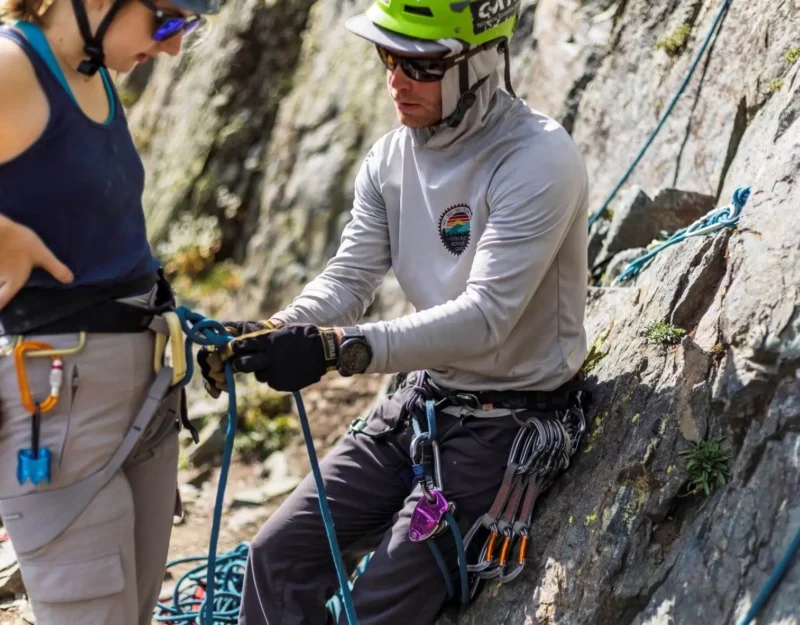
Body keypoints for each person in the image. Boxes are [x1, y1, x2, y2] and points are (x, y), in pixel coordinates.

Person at [199, 0, 590, 623]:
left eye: (421, 64)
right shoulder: (390, 158)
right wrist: (279, 331)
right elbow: (350, 277)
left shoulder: (536, 159)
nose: (396, 79)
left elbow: (486, 318)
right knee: (275, 558)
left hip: (510, 422)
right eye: (388, 56)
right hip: (423, 403)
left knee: (372, 609)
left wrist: (335, 349)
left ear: (481, 62)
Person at [0, 0, 219, 622]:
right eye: (171, 20)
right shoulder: (12, 65)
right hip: (54, 399)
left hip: (146, 389)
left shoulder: (93, 76)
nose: (175, 46)